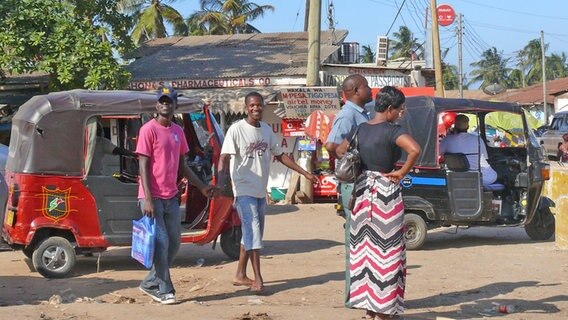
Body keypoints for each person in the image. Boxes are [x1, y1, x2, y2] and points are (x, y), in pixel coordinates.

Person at [218, 91, 318, 294]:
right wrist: (221, 182)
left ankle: (239, 274)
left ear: (263, 107)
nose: (256, 108)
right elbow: (224, 157)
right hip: (243, 188)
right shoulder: (236, 130)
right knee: (253, 232)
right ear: (246, 108)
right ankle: (258, 278)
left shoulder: (266, 130)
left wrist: (305, 173)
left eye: (259, 105)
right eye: (252, 105)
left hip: (259, 190)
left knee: (251, 234)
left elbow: (281, 156)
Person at [336, 86, 420, 320]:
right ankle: (384, 312)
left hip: (362, 193)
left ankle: (368, 311)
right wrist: (401, 171)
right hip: (385, 195)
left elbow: (340, 150)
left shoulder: (359, 129)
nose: (402, 113)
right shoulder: (393, 131)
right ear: (391, 109)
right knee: (388, 254)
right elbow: (415, 149)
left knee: (364, 253)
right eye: (400, 109)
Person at [137, 85, 217, 305]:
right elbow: (143, 164)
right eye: (162, 101)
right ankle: (165, 289)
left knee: (174, 244)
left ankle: (149, 282)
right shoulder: (148, 130)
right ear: (156, 105)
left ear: (174, 105)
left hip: (170, 196)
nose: (165, 104)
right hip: (151, 197)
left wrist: (202, 186)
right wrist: (148, 198)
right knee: (161, 243)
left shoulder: (178, 131)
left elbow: (183, 166)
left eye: (169, 101)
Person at [325, 74, 373, 218]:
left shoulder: (362, 113)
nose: (370, 89)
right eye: (366, 86)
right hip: (352, 183)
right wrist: (350, 165)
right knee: (353, 229)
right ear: (357, 90)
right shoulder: (347, 115)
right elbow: (331, 145)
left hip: (361, 181)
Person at [439, 114, 498, 187]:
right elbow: (485, 158)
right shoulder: (477, 139)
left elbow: (438, 155)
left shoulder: (447, 140)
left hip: (456, 178)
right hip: (482, 178)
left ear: (455, 126)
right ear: (468, 126)